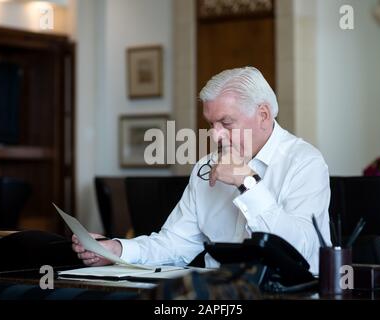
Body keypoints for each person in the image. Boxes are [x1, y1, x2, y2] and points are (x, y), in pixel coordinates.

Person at [72, 67, 331, 274]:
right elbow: (175, 243)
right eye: (211, 123)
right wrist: (116, 249)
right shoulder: (207, 167)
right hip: (218, 296)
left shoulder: (305, 162)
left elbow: (301, 251)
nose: (215, 134)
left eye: (226, 123)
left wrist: (247, 182)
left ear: (263, 114)